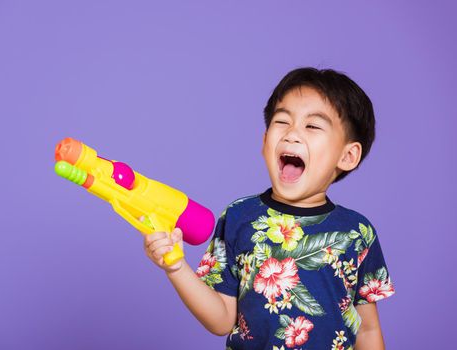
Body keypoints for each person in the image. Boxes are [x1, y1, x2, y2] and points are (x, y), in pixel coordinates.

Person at [142, 67, 395, 350]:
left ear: (347, 156)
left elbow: (368, 329)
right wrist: (176, 268)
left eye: (312, 126)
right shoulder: (238, 216)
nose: (292, 135)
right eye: (282, 122)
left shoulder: (357, 232)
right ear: (264, 142)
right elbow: (222, 320)